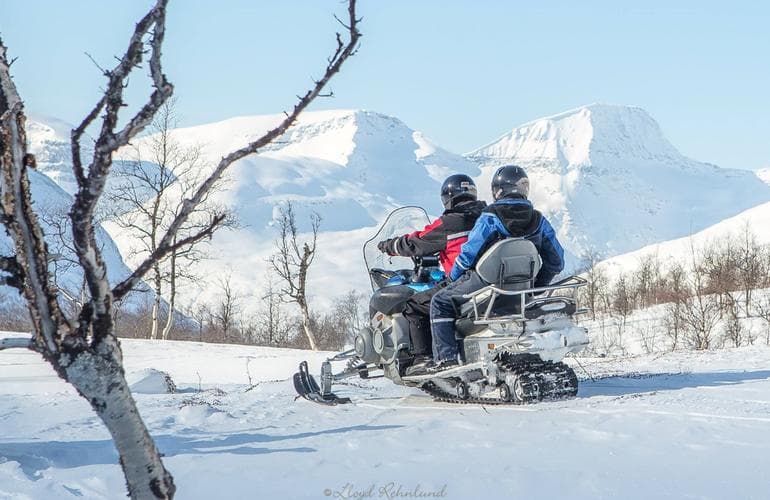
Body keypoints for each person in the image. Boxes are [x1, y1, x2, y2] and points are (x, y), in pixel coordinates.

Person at [409, 165, 565, 375]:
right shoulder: (538, 220)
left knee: (440, 302)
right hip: (522, 287)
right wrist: (537, 286)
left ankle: (446, 360)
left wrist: (453, 279)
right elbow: (557, 260)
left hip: (486, 283)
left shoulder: (490, 217)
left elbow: (467, 255)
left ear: (497, 190)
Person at [377, 174, 486, 363]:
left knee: (414, 306)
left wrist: (389, 246)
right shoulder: (486, 217)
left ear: (447, 198)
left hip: (462, 281)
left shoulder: (449, 223)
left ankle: (423, 360)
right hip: (486, 279)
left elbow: (415, 242)